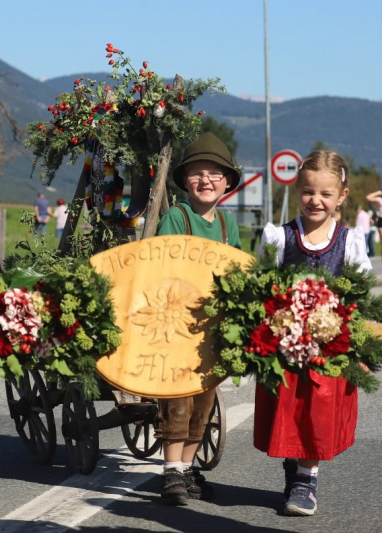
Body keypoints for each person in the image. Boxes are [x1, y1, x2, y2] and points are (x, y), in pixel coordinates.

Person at [254, 150, 371, 517]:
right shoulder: (280, 237)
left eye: (325, 194)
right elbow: (261, 286)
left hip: (329, 349)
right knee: (290, 411)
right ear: (297, 190)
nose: (315, 200)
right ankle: (295, 464)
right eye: (308, 192)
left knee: (317, 412)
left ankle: (306, 480)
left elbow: (360, 298)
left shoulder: (349, 241)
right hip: (286, 344)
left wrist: (361, 348)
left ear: (342, 196)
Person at [153, 132, 241, 506]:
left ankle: (187, 469)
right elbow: (161, 268)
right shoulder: (177, 217)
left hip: (211, 331)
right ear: (185, 180)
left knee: (203, 402)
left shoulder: (227, 225)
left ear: (227, 181)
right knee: (178, 401)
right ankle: (171, 470)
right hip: (176, 327)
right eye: (197, 173)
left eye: (215, 173)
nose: (206, 180)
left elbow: (236, 272)